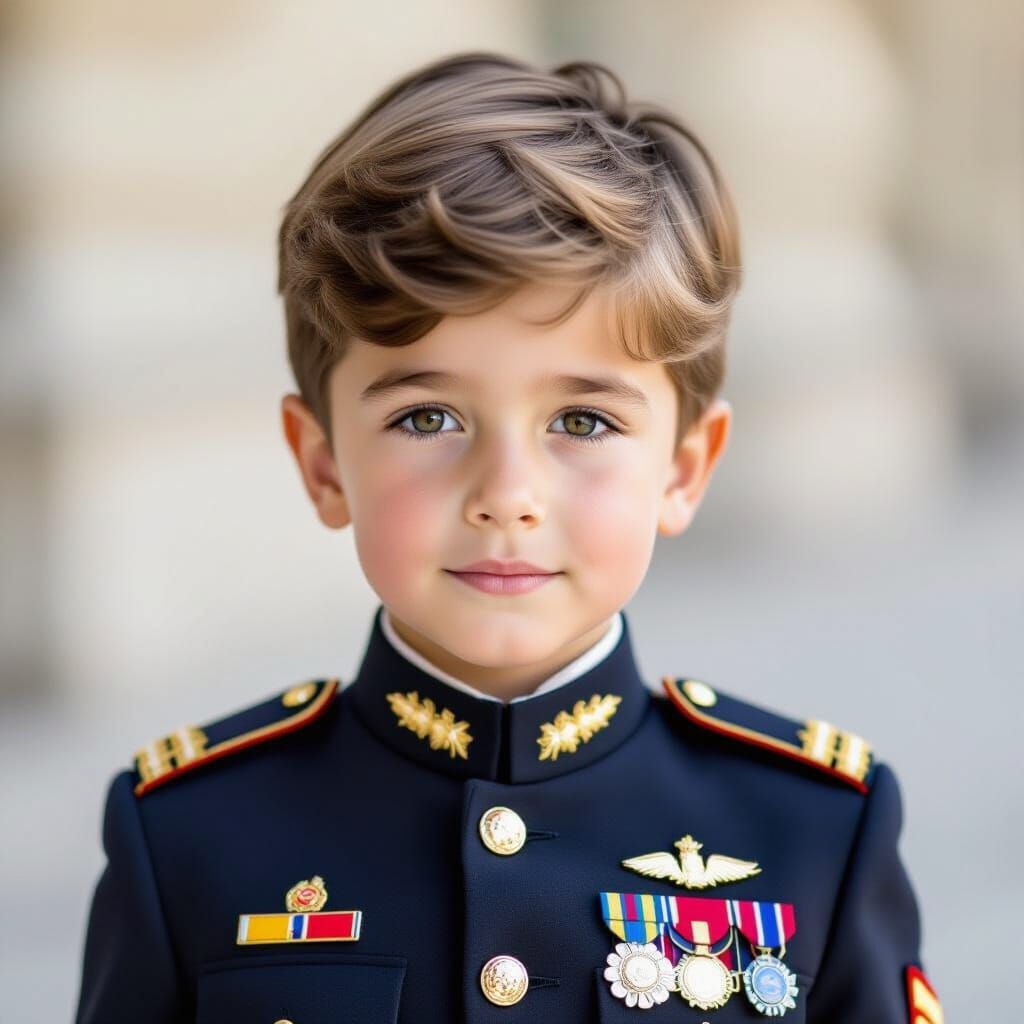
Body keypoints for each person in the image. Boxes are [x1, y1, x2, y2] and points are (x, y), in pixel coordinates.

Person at [74, 51, 943, 1023]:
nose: (506, 495)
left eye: (581, 422)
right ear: (321, 463)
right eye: (427, 418)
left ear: (685, 466)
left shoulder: (813, 827)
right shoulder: (191, 835)